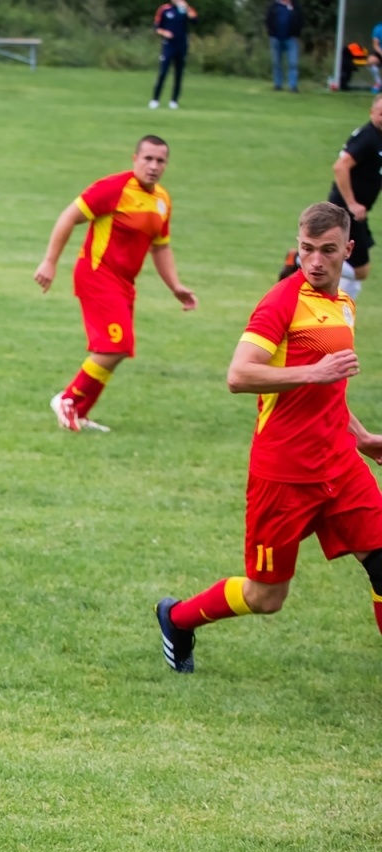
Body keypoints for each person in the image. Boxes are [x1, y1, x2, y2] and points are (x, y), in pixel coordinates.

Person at [157, 203, 382, 672]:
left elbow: (329, 390)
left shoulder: (342, 303)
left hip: (339, 463)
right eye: (306, 249)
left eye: (326, 250)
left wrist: (359, 435)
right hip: (284, 473)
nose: (315, 261)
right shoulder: (282, 301)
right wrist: (313, 370)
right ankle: (177, 618)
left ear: (348, 249)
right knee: (266, 597)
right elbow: (239, 375)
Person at [35, 136, 197, 432]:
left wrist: (176, 287)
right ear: (134, 158)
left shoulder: (162, 200)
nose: (153, 166)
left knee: (119, 348)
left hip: (124, 283)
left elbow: (160, 247)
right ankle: (68, 400)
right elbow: (69, 216)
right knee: (114, 346)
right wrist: (50, 261)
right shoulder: (114, 188)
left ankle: (79, 411)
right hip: (97, 275)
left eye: (160, 161)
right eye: (147, 158)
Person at [328, 95, 382, 300]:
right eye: (381, 114)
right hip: (346, 212)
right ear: (372, 113)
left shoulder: (378, 139)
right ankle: (301, 261)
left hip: (358, 213)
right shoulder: (368, 137)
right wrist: (351, 204)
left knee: (355, 268)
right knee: (360, 269)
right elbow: (340, 167)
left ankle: (341, 313)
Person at [150, 0, 196, 109]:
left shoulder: (185, 9)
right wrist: (164, 32)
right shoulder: (164, 9)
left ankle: (174, 101)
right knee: (163, 72)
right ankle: (155, 100)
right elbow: (156, 27)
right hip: (168, 45)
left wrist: (187, 8)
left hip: (182, 45)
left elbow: (195, 21)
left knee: (178, 74)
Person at [266, 0, 303, 92]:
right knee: (277, 63)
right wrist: (271, 33)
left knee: (293, 63)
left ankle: (293, 86)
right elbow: (268, 20)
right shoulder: (274, 6)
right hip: (276, 38)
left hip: (291, 39)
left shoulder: (295, 6)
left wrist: (297, 33)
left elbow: (301, 19)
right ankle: (278, 85)